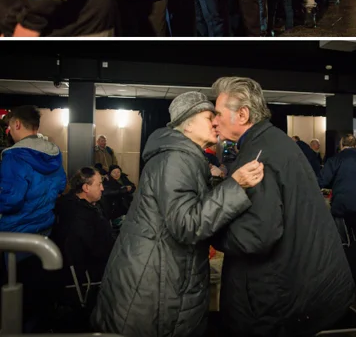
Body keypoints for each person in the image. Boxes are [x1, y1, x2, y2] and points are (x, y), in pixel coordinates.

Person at [93, 91, 264, 337]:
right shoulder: (175, 159)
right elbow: (187, 224)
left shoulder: (184, 158)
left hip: (161, 278)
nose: (216, 122)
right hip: (153, 287)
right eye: (209, 117)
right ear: (188, 123)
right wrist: (235, 186)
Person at [210, 76, 353, 337]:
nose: (214, 120)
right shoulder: (272, 141)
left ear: (242, 114)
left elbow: (256, 236)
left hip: (285, 293)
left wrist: (212, 230)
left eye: (218, 114)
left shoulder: (258, 155)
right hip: (304, 283)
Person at [0, 105, 66, 235]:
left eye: (10, 127)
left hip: (15, 231)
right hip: (44, 227)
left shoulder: (13, 156)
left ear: (17, 124)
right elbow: (61, 186)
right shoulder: (53, 152)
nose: (10, 131)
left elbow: (11, 201)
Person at [51, 167, 115, 281]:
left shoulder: (87, 204)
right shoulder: (78, 214)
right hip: (93, 269)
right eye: (99, 184)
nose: (102, 188)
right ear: (86, 187)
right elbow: (96, 249)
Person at [319, 133, 356, 226]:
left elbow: (321, 181)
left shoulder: (334, 160)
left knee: (341, 237)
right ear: (355, 146)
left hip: (340, 207)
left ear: (341, 145)